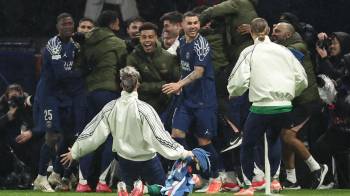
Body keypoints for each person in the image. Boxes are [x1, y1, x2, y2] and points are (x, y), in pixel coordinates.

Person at [60, 66, 194, 195]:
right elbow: (159, 138)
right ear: (138, 85)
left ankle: (132, 188)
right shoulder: (145, 109)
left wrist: (75, 151)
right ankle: (144, 189)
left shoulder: (110, 108)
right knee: (164, 191)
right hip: (148, 161)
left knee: (130, 193)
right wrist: (183, 152)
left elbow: (92, 132)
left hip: (125, 162)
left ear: (121, 85)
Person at [227, 18, 308, 195]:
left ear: (251, 32)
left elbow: (238, 81)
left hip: (262, 106)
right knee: (273, 139)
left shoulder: (249, 51)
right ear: (269, 30)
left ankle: (248, 187)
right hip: (285, 107)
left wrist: (234, 92)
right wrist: (289, 94)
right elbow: (302, 79)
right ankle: (276, 182)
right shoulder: (285, 51)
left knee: (247, 144)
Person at [162, 11, 223, 194]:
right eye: (189, 23)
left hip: (204, 100)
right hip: (186, 99)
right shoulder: (182, 41)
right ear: (182, 25)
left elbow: (198, 72)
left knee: (203, 140)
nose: (193, 26)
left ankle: (216, 177)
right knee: (176, 135)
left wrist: (178, 83)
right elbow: (185, 68)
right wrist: (181, 85)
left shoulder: (201, 45)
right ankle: (188, 174)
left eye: (196, 22)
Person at [32, 13, 88, 192]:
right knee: (52, 135)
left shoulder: (75, 45)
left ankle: (56, 172)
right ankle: (41, 177)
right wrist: (83, 72)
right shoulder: (53, 45)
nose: (68, 27)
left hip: (65, 96)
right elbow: (60, 74)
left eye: (71, 24)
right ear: (57, 26)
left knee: (70, 134)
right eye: (64, 24)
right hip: (49, 96)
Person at [75, 10, 127, 192]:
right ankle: (102, 182)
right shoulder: (117, 43)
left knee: (88, 135)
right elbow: (124, 70)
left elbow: (79, 66)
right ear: (113, 23)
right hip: (108, 92)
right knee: (110, 138)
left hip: (88, 93)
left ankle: (82, 183)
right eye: (118, 22)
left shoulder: (86, 41)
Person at [272, 22, 328, 189]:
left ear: (288, 35)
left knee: (288, 136)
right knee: (285, 137)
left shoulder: (298, 47)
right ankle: (291, 179)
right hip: (296, 102)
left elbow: (284, 56)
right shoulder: (284, 46)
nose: (273, 33)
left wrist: (264, 44)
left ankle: (317, 168)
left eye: (277, 31)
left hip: (307, 102)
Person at [126, 22, 179, 115]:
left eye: (150, 37)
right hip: (142, 106)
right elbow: (133, 86)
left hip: (166, 106)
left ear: (156, 38)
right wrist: (161, 85)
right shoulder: (132, 58)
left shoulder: (169, 57)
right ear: (140, 38)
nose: (147, 40)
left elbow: (175, 83)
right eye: (144, 37)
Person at [0, 84, 41, 188]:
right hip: (6, 147)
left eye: (16, 95)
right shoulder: (2, 107)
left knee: (37, 144)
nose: (14, 100)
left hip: (26, 144)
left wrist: (30, 132)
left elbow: (38, 125)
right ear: (6, 98)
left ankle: (34, 177)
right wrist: (7, 117)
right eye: (11, 97)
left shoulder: (27, 106)